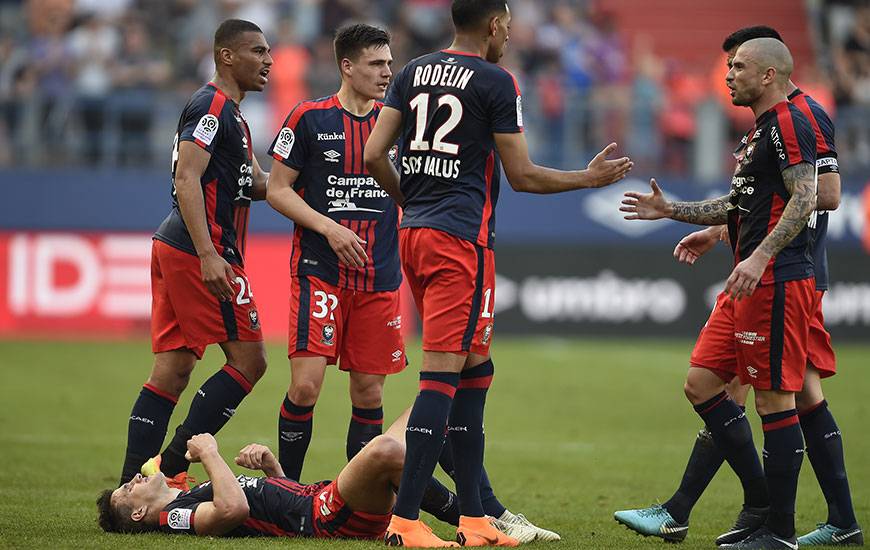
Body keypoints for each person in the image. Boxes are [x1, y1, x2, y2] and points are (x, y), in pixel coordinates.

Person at [364, 0, 633, 546]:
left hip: (416, 234)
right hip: (461, 242)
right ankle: (406, 521)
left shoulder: (413, 71)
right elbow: (524, 175)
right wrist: (587, 178)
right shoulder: (497, 80)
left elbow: (373, 154)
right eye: (508, 25)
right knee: (441, 378)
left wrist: (412, 204)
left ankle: (474, 519)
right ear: (492, 25)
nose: (510, 35)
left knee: (474, 371)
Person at [614, 26, 862, 548]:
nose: (727, 74)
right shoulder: (762, 129)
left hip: (778, 275)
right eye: (728, 66)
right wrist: (678, 213)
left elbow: (816, 195)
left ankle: (775, 527)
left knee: (775, 398)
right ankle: (793, 512)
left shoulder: (797, 118)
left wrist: (761, 252)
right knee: (706, 383)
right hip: (754, 273)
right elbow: (743, 203)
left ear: (769, 71)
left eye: (738, 66)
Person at [116, 19, 273, 491]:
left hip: (178, 244)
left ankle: (130, 487)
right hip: (197, 249)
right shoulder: (212, 104)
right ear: (227, 56)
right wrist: (208, 254)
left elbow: (259, 185)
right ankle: (168, 468)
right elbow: (187, 177)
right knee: (251, 360)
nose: (268, 60)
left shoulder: (237, 118)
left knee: (173, 369)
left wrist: (310, 174)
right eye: (258, 51)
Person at [265, 23, 404, 482]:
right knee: (305, 386)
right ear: (347, 66)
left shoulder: (397, 123)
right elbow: (277, 190)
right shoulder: (308, 118)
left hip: (378, 275)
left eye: (389, 63)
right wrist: (330, 229)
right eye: (376, 64)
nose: (387, 72)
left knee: (368, 392)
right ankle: (284, 491)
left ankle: (352, 499)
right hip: (319, 270)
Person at [96, 408, 559, 542]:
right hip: (321, 517)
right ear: (138, 514)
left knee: (430, 406)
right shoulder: (171, 518)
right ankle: (473, 519)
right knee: (387, 450)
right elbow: (234, 510)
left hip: (316, 501)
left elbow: (262, 502)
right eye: (128, 490)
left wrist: (271, 468)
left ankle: (487, 513)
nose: (135, 479)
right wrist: (212, 452)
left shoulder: (181, 502)